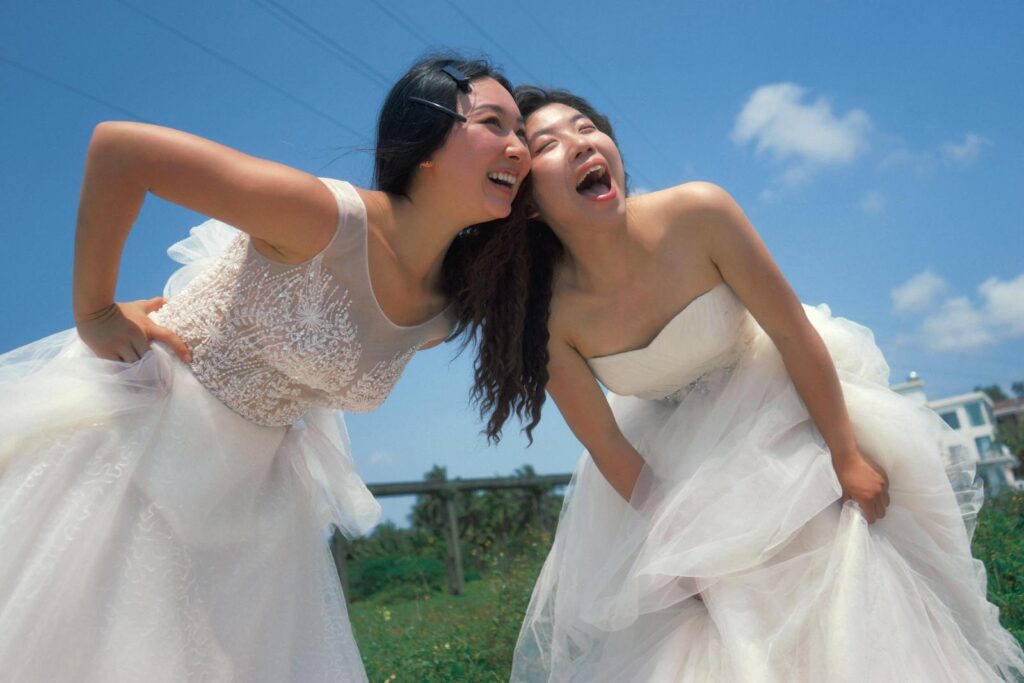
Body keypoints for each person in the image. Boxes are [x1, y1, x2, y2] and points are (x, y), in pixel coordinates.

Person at [453, 86, 1024, 681]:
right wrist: (681, 547)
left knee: (851, 581)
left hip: (788, 404)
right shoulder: (549, 318)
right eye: (549, 144)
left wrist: (845, 452)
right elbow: (608, 447)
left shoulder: (699, 213)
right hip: (678, 469)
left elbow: (791, 330)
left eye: (587, 127)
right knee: (723, 633)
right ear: (533, 205)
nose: (581, 143)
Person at [0, 55, 529, 682]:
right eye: (495, 123)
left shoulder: (444, 313)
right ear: (426, 145)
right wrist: (95, 311)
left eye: (523, 133)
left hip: (256, 509)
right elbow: (121, 149)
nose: (518, 147)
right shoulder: (323, 218)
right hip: (144, 446)